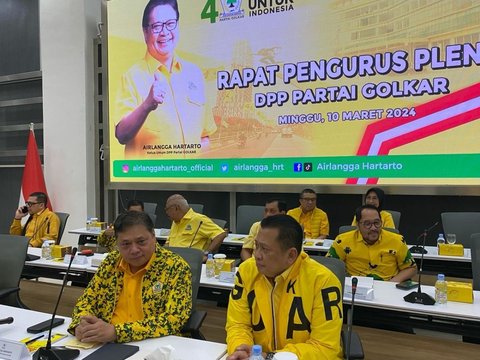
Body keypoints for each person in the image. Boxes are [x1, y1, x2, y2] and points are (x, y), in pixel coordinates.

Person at [226, 215, 343, 360]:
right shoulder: (246, 271)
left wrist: (271, 357)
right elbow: (238, 325)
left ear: (291, 255)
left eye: (265, 249)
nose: (256, 255)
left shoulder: (323, 282)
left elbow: (325, 348)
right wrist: (242, 350)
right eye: (256, 246)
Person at [69, 211, 192, 343]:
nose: (134, 250)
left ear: (154, 237)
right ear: (117, 243)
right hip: (106, 343)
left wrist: (117, 332)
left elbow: (174, 319)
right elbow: (86, 302)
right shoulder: (111, 262)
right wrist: (80, 325)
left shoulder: (175, 266)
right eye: (126, 244)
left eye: (141, 242)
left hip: (154, 342)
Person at [114, 0, 217, 158]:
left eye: (170, 23)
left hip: (192, 180)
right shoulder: (131, 77)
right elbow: (121, 134)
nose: (164, 32)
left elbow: (204, 136)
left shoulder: (195, 74)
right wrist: (147, 105)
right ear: (145, 32)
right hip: (151, 180)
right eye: (156, 26)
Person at [328, 205, 417, 282]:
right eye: (367, 224)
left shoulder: (397, 241)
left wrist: (392, 283)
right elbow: (330, 265)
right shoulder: (342, 241)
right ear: (358, 225)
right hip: (355, 287)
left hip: (387, 286)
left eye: (377, 223)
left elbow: (411, 268)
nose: (373, 228)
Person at [165, 194, 227, 259]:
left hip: (190, 261)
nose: (166, 213)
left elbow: (221, 234)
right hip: (172, 261)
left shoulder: (198, 220)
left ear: (176, 208)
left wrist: (206, 253)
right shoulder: (175, 221)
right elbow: (168, 242)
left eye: (167, 209)